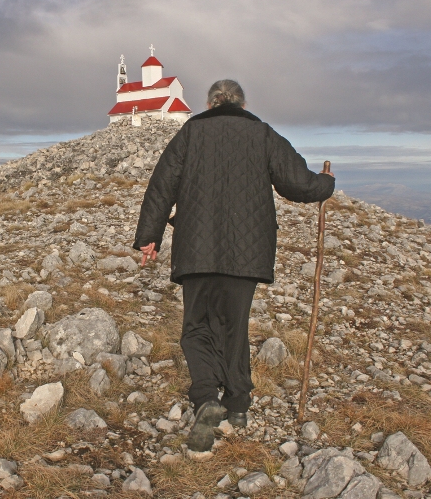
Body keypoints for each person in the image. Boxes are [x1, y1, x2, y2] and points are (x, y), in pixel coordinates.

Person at [133, 79, 335, 452]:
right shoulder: (261, 133)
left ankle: (207, 396)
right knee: (234, 326)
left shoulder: (191, 133)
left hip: (196, 249)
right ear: (241, 104)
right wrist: (325, 184)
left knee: (196, 327)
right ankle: (238, 405)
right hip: (248, 253)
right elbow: (297, 183)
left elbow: (161, 186)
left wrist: (151, 236)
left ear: (210, 104)